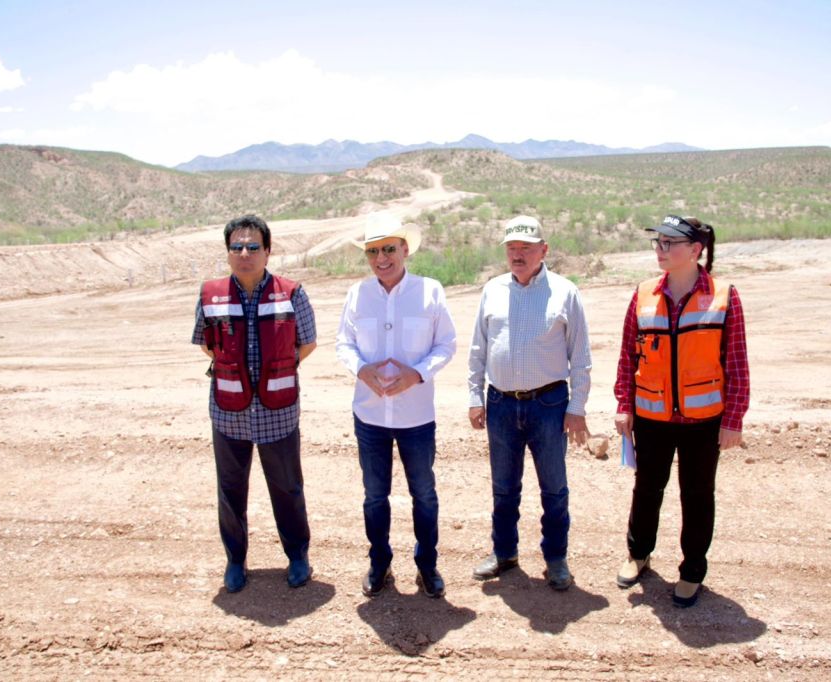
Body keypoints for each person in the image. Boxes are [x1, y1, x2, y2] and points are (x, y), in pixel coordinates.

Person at [613, 215, 750, 607]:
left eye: (670, 243)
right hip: (652, 417)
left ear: (695, 250)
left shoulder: (724, 295)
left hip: (703, 421)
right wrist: (625, 405)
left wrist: (733, 420)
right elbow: (628, 356)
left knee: (697, 495)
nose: (661, 250)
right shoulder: (642, 294)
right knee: (647, 489)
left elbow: (736, 363)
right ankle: (638, 554)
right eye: (658, 243)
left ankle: (692, 570)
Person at [192, 214, 317, 593]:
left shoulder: (292, 292)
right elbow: (205, 344)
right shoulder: (210, 294)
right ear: (228, 252)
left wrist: (274, 371)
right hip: (229, 413)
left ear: (267, 251)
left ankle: (297, 556)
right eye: (236, 247)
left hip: (277, 412)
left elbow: (307, 343)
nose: (244, 254)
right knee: (230, 490)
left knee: (287, 487)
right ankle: (235, 560)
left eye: (252, 247)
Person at [335, 212, 457, 598]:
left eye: (389, 249)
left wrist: (417, 373)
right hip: (370, 414)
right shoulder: (357, 294)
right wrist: (361, 370)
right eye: (373, 251)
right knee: (374, 495)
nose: (381, 258)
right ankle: (380, 563)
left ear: (405, 250)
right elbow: (343, 344)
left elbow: (446, 345)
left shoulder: (431, 291)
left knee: (424, 493)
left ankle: (427, 565)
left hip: (417, 416)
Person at [467, 215, 592, 591]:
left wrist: (577, 408)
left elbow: (580, 356)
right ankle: (504, 552)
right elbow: (478, 349)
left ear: (544, 250)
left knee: (553, 487)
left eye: (525, 248)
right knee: (504, 487)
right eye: (511, 248)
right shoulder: (492, 290)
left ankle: (556, 558)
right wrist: (475, 396)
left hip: (549, 404)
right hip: (501, 404)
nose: (517, 255)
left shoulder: (565, 292)